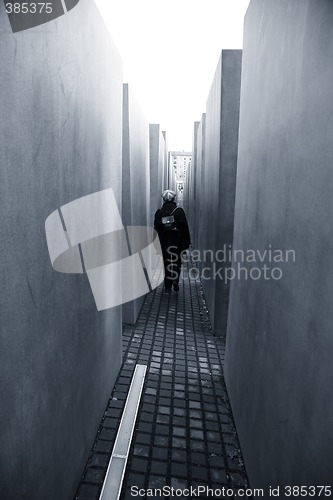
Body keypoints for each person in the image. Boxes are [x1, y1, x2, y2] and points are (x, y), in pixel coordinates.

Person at [154, 189, 191, 292]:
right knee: (177, 261)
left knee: (166, 261)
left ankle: (167, 283)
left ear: (164, 200)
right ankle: (175, 279)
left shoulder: (159, 212)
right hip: (177, 242)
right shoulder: (179, 211)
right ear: (174, 199)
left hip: (164, 242)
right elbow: (185, 227)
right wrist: (186, 243)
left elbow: (156, 228)